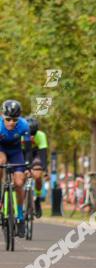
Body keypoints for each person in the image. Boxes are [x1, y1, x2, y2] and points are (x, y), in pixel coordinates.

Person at [0, 100, 33, 236]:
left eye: (14, 120)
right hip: (1, 149)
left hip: (16, 152)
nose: (11, 122)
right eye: (8, 119)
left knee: (19, 183)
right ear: (2, 115)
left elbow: (28, 148)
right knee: (1, 161)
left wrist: (28, 166)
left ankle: (20, 217)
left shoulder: (24, 125)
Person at [25, 116, 48, 218]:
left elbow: (43, 154)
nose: (32, 137)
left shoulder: (41, 135)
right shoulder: (20, 134)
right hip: (22, 152)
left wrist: (44, 169)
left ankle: (37, 199)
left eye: (34, 134)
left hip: (36, 153)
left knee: (38, 176)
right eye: (30, 134)